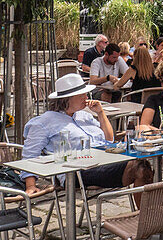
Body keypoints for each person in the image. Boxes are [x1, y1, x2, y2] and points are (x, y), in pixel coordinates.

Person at [20, 74, 152, 197]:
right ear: (67, 99)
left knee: (145, 162)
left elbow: (109, 139)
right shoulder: (44, 122)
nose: (86, 98)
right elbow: (30, 156)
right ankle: (146, 218)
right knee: (140, 168)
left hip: (106, 159)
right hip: (77, 170)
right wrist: (30, 185)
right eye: (82, 95)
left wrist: (101, 113)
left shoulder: (84, 115)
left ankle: (147, 215)